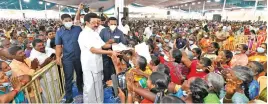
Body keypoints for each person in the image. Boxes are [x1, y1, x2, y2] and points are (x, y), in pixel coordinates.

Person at [78, 13, 118, 103]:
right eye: (93, 22)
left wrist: (117, 46)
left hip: (98, 64)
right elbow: (93, 50)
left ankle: (99, 102)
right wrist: (110, 52)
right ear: (87, 22)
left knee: (99, 86)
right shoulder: (84, 34)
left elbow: (103, 45)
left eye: (97, 22)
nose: (96, 24)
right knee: (90, 87)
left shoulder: (94, 33)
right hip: (90, 65)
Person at [55, 14, 83, 103]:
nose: (68, 22)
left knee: (80, 74)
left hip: (79, 56)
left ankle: (80, 89)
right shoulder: (59, 32)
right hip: (67, 58)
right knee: (68, 78)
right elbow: (58, 46)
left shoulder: (78, 29)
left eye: (69, 20)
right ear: (62, 21)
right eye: (66, 21)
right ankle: (69, 97)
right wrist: (58, 57)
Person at [99, 17, 127, 82]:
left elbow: (123, 44)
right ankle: (106, 83)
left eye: (115, 24)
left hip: (116, 55)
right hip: (105, 54)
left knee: (115, 70)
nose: (113, 26)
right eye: (112, 24)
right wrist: (108, 43)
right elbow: (99, 43)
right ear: (108, 24)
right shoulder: (103, 31)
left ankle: (114, 84)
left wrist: (116, 43)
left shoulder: (120, 32)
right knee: (106, 70)